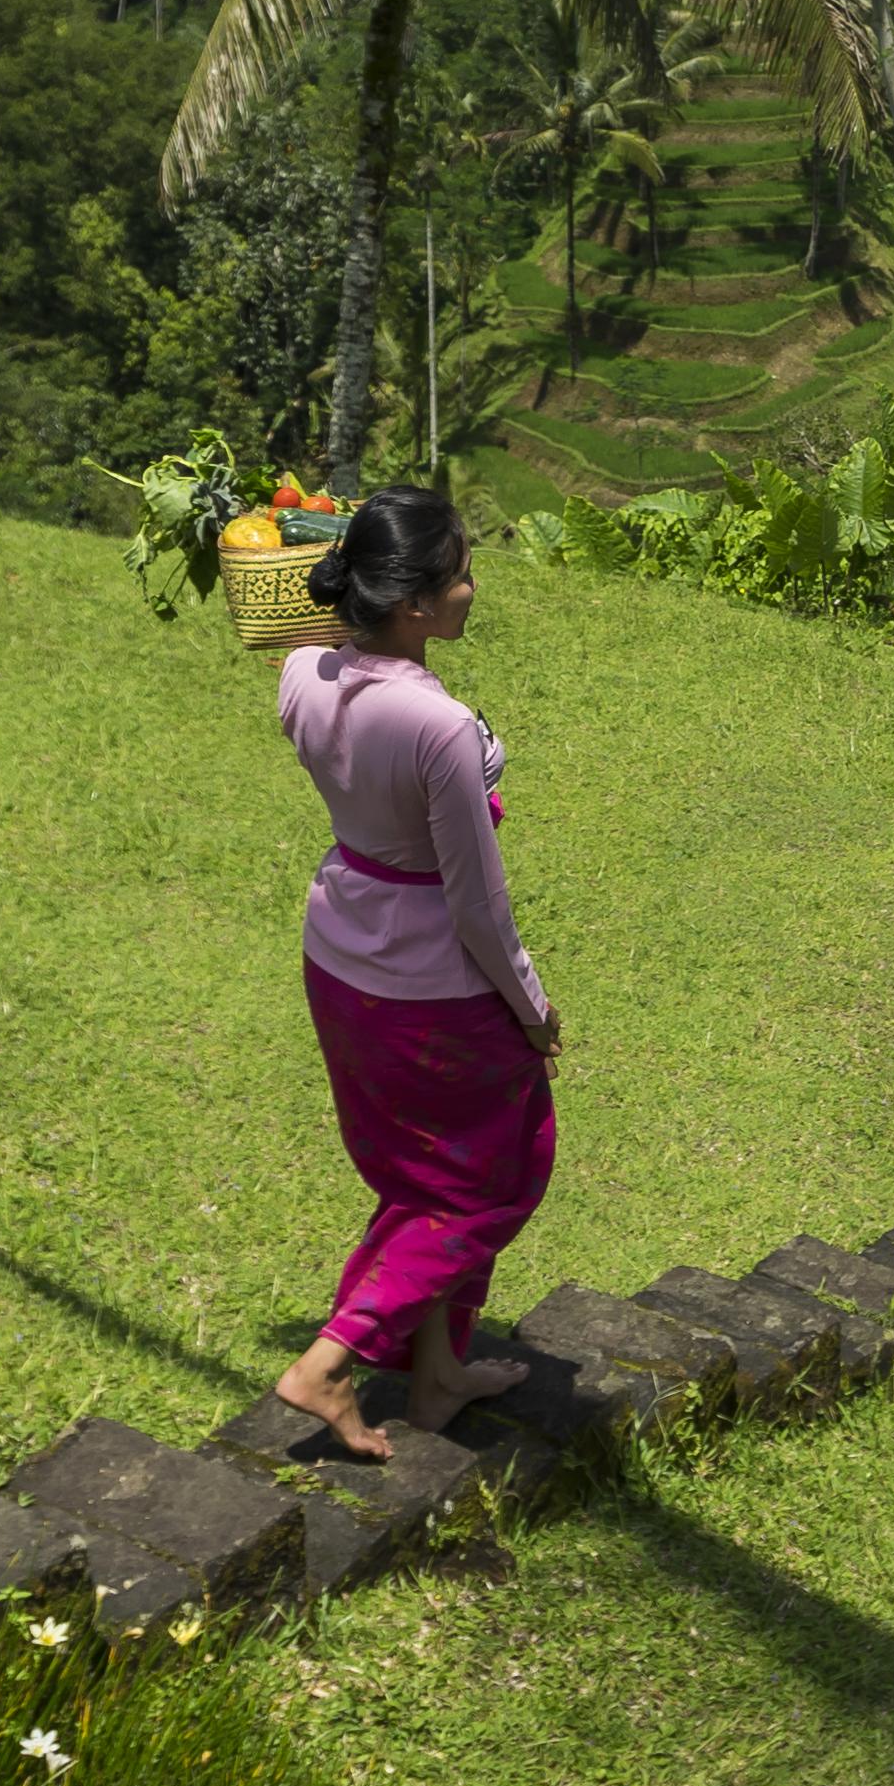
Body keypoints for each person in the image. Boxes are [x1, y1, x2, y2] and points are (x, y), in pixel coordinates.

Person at [270, 488, 559, 1456]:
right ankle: (330, 1360)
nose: (474, 588)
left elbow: (327, 652)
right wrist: (532, 1010)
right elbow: (478, 903)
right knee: (488, 1180)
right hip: (433, 983)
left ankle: (436, 1375)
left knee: (420, 1172)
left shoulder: (300, 672)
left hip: (340, 954)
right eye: (461, 573)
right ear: (418, 607)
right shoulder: (440, 727)